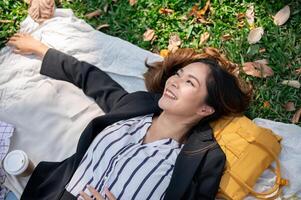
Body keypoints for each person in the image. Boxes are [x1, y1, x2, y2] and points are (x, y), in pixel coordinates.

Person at [7, 33, 251, 200]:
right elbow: (93, 80)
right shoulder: (135, 107)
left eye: (190, 82)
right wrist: (42, 50)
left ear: (205, 109)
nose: (175, 81)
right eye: (179, 74)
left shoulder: (204, 158)